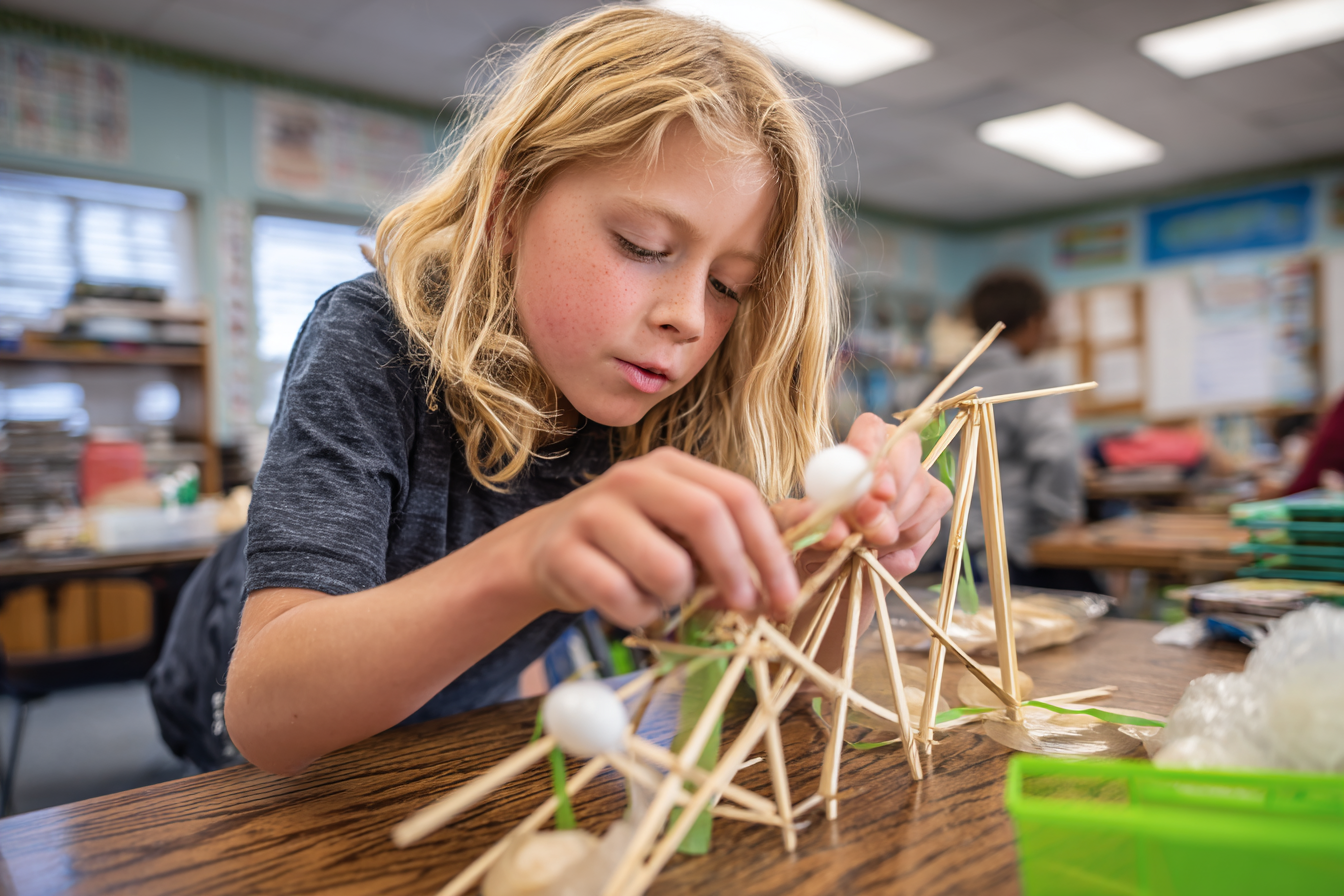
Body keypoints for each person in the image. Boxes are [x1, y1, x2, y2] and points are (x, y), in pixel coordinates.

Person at [221, 7, 951, 777]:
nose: (688, 318)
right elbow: (266, 715)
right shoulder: (375, 338)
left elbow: (762, 688)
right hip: (270, 744)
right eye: (642, 246)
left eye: (730, 286)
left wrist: (839, 578)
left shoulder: (677, 402)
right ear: (508, 210)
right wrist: (530, 555)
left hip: (434, 746)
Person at [943, 269, 1092, 592]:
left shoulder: (939, 384)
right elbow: (1056, 455)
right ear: (1035, 321)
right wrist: (1061, 518)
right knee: (1091, 611)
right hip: (1007, 548)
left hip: (936, 547)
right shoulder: (1034, 381)